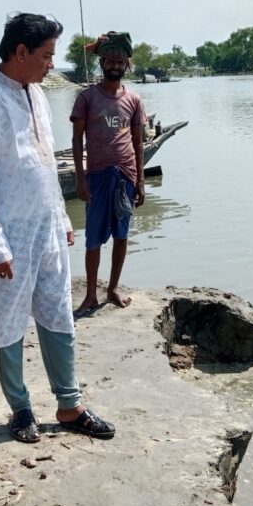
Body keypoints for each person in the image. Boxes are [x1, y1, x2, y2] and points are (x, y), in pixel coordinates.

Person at [0, 13, 115, 444]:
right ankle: (21, 408)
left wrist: (62, 218)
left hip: (46, 228)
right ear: (20, 52)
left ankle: (70, 404)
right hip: (10, 234)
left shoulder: (38, 95)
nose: (52, 64)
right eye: (46, 56)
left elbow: (46, 164)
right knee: (9, 322)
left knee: (57, 312)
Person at [69, 31, 147, 318]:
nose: (115, 65)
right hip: (97, 175)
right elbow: (77, 140)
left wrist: (140, 181)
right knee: (93, 237)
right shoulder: (87, 98)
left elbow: (138, 142)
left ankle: (113, 288)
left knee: (122, 235)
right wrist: (80, 178)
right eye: (110, 60)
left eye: (120, 61)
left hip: (126, 176)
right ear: (102, 62)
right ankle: (91, 294)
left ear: (127, 65)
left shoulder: (134, 99)